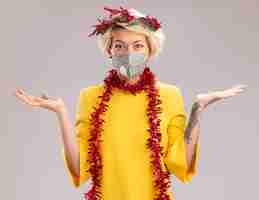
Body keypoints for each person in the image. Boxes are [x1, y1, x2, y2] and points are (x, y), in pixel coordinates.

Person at [14, 6, 247, 200]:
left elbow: (181, 163)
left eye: (137, 45)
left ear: (150, 50)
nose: (128, 53)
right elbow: (79, 167)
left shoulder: (169, 95)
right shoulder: (90, 97)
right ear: (109, 50)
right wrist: (61, 113)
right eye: (120, 46)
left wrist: (198, 109)